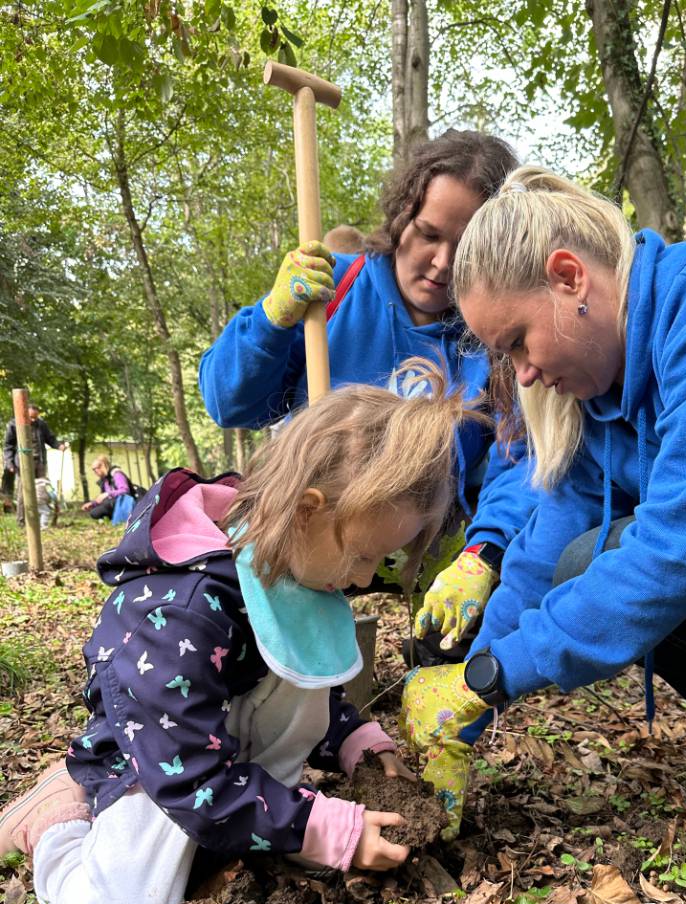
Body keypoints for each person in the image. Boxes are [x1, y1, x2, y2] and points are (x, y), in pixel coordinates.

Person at [400, 165, 686, 838]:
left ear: (568, 277)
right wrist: (473, 674)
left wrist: (495, 677)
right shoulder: (600, 390)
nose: (522, 373)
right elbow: (547, 540)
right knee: (590, 558)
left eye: (518, 342)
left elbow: (677, 547)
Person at [0, 368, 485, 904]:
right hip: (156, 766)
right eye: (364, 556)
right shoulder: (178, 613)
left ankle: (259, 816)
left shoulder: (304, 562)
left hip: (226, 764)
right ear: (306, 511)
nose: (363, 579)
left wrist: (356, 739)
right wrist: (330, 831)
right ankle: (54, 822)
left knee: (231, 840)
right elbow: (190, 779)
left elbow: (306, 680)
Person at [199, 129, 537, 668]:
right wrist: (270, 320)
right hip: (313, 522)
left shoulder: (493, 338)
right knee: (253, 643)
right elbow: (227, 402)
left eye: (466, 246)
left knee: (477, 605)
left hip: (422, 537)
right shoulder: (332, 289)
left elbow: (518, 464)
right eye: (428, 233)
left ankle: (428, 680)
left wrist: (484, 551)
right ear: (402, 212)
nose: (442, 263)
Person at [3, 404, 67, 525]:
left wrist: (59, 446)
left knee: (41, 491)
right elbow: (8, 446)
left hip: (40, 462)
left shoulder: (41, 424)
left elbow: (50, 438)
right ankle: (21, 521)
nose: (33, 420)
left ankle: (39, 520)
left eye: (35, 418)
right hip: (23, 464)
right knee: (24, 491)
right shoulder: (13, 425)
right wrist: (9, 463)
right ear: (24, 414)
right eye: (31, 417)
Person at [83, 455, 136, 524]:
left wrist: (108, 494)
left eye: (95, 469)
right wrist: (93, 504)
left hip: (124, 502)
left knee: (104, 506)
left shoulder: (117, 474)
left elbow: (125, 490)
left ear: (102, 466)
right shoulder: (105, 480)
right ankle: (113, 518)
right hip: (111, 503)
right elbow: (103, 497)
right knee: (94, 512)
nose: (94, 472)